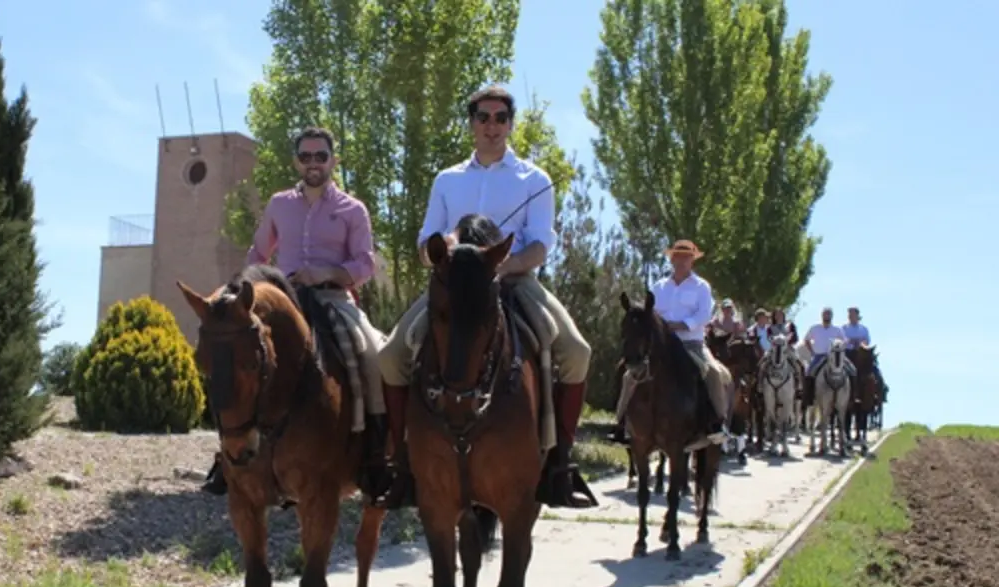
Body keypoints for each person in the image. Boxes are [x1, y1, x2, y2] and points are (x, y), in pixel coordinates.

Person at [374, 84, 595, 511]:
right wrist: (447, 248)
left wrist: (500, 266)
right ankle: (401, 463)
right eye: (483, 117)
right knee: (389, 356)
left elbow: (540, 246)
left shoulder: (536, 180)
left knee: (577, 351)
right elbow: (425, 244)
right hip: (453, 287)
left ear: (511, 124)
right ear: (472, 123)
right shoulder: (447, 180)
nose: (491, 125)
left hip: (514, 281)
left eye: (499, 117)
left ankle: (561, 464)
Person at [199, 126, 389, 500]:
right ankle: (225, 457)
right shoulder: (278, 205)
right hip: (286, 303)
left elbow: (365, 264)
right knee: (237, 356)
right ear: (296, 162)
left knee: (373, 356)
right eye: (306, 156)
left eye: (321, 156)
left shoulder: (352, 209)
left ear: (333, 160)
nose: (313, 163)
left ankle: (376, 456)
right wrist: (246, 287)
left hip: (334, 300)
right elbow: (258, 254)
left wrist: (329, 273)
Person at [608, 239, 732, 452]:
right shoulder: (659, 287)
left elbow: (704, 314)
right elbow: (650, 315)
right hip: (663, 345)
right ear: (672, 259)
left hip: (691, 343)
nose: (682, 260)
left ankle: (718, 424)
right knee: (629, 374)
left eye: (686, 257)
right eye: (678, 256)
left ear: (692, 260)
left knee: (712, 372)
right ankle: (621, 425)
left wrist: (681, 325)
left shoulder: (702, 287)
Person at [802, 307, 856, 391]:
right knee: (808, 372)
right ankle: (808, 396)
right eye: (825, 314)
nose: (827, 316)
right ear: (822, 316)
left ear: (832, 316)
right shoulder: (815, 328)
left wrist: (842, 346)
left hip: (835, 356)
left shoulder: (837, 329)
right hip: (819, 356)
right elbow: (806, 340)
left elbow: (845, 341)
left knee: (852, 370)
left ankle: (852, 395)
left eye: (829, 314)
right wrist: (812, 352)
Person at [842, 306, 887, 399]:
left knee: (873, 367)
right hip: (848, 352)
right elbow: (841, 340)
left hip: (861, 352)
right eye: (850, 314)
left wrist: (861, 343)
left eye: (853, 314)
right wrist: (850, 341)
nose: (851, 316)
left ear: (857, 316)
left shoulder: (863, 329)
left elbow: (867, 341)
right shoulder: (844, 328)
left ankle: (880, 387)